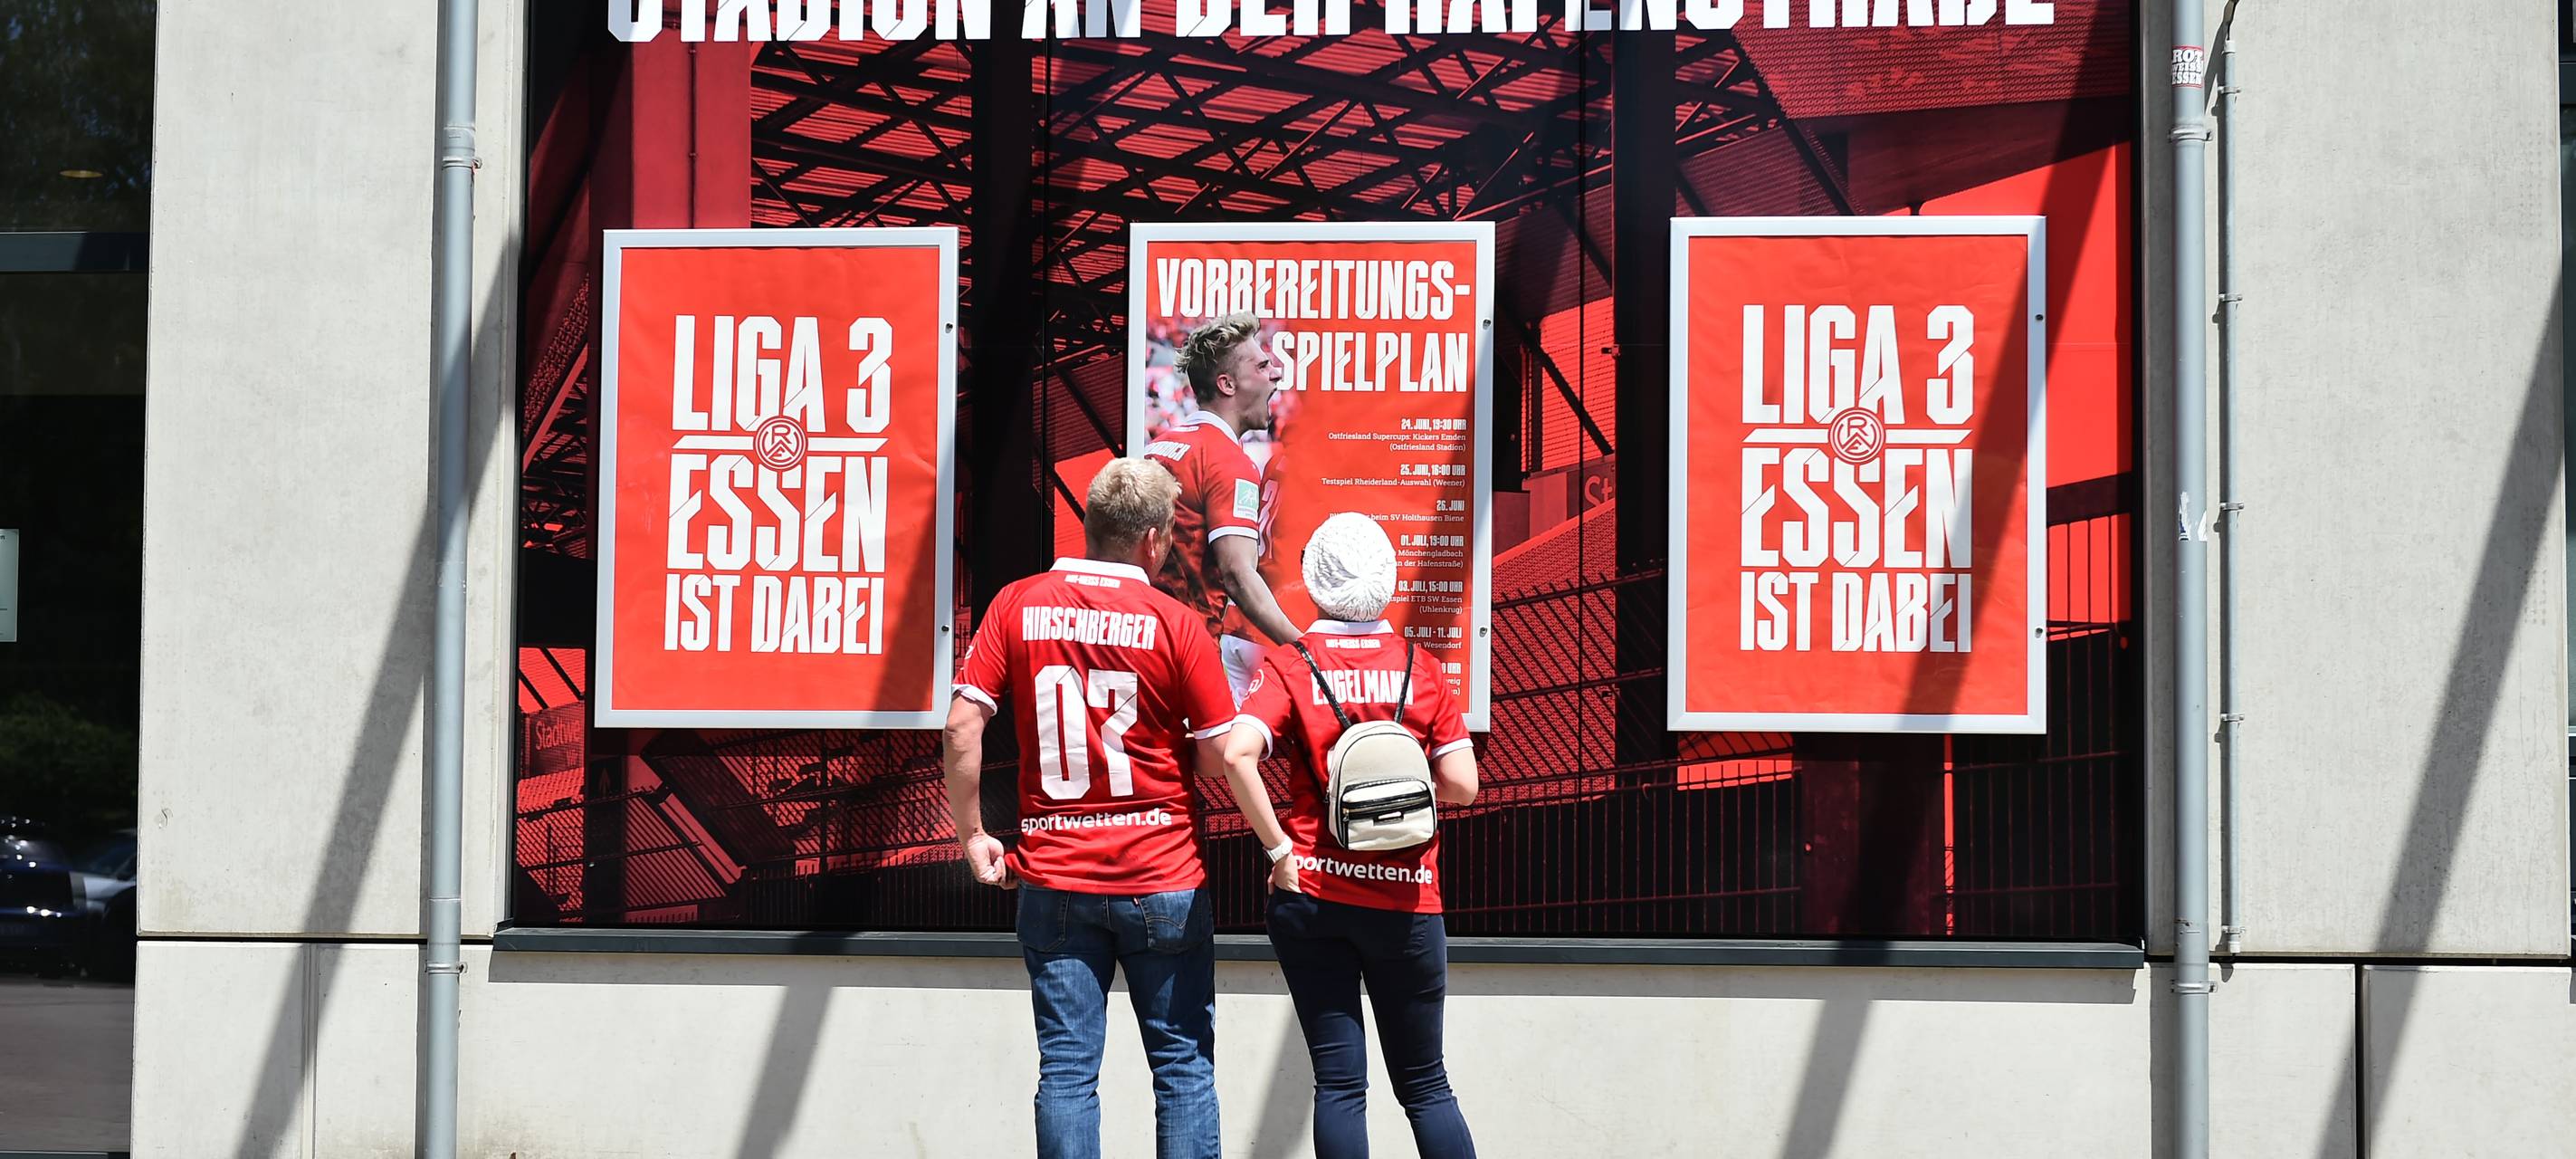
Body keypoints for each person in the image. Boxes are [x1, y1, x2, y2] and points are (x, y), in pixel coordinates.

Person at [943, 457, 1241, 1159]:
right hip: (1162, 874)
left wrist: (975, 835)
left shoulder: (1017, 603)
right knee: (1183, 1071)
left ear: (1091, 527)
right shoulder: (1177, 623)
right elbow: (1217, 755)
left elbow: (961, 725)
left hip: (1055, 877)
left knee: (1069, 1076)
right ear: (1153, 540)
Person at [1219, 512, 1482, 1159]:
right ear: (1388, 584)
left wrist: (1279, 850)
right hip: (1409, 901)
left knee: (1340, 1085)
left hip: (1312, 894)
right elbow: (1464, 786)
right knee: (1426, 1084)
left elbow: (1236, 755)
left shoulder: (1293, 666)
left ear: (1314, 585)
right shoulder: (1421, 668)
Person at [1141, 311, 1301, 701]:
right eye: (1262, 366)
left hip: (1143, 646)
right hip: (1187, 656)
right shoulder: (1228, 461)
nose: (1275, 374)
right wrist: (1306, 649)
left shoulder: (1158, 447)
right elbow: (1237, 575)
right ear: (1227, 384)